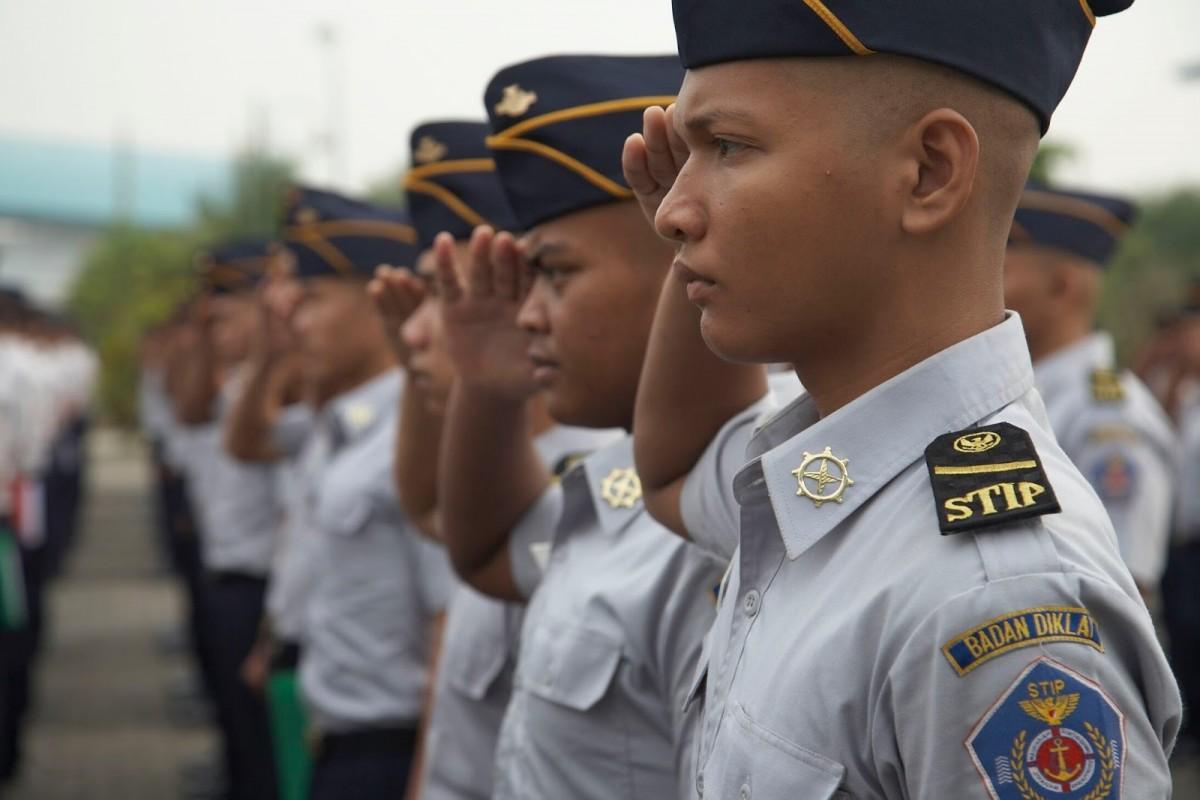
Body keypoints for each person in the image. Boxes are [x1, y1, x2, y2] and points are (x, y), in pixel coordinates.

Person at [624, 0, 1181, 796]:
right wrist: (702, 263)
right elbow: (673, 473)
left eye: (728, 147)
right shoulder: (830, 472)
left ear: (929, 171)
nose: (672, 213)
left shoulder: (994, 599)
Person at [432, 54, 726, 799]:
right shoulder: (625, 473)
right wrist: (489, 390)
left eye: (555, 276)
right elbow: (492, 550)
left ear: (679, 262)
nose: (528, 314)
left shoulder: (733, 498)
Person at [370, 119, 620, 799]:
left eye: (445, 293)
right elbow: (436, 513)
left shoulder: (616, 479)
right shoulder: (524, 475)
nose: (420, 331)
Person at [282, 186, 454, 800]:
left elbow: (445, 622)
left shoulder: (415, 431)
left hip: (390, 749)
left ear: (375, 297)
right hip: (336, 733)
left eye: (314, 301)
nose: (294, 323)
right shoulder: (347, 423)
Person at [1003, 181, 1177, 602]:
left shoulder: (1106, 414)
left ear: (1062, 286)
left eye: (1001, 270)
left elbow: (1125, 583)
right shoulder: (1028, 393)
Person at [171, 240, 282, 800]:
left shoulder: (279, 386)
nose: (217, 332)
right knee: (236, 728)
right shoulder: (233, 379)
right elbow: (187, 410)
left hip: (263, 583)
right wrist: (202, 340)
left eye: (228, 317)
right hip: (225, 565)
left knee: (264, 749)